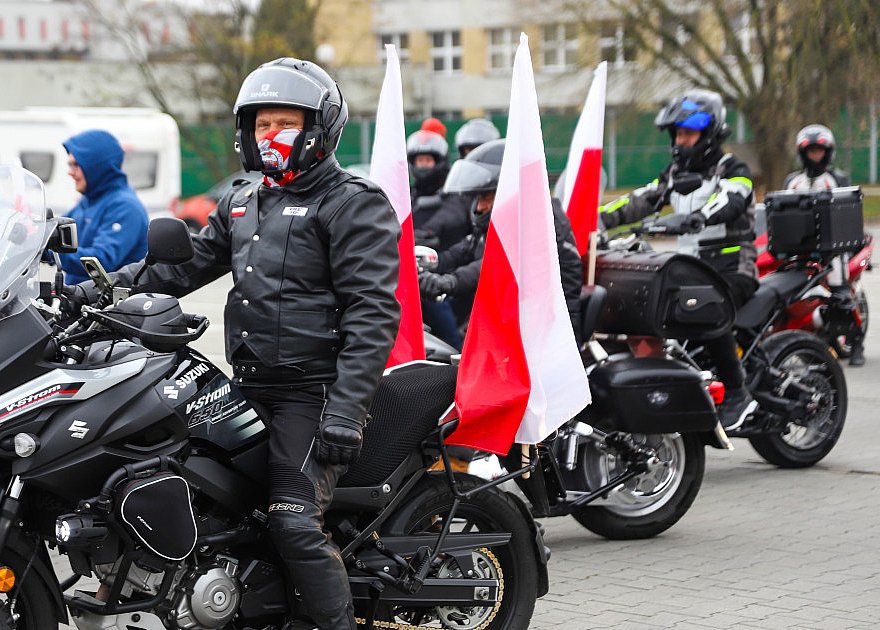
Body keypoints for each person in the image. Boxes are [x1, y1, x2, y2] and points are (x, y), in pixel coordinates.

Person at [76, 58, 399, 629]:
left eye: (285, 122)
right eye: (260, 123)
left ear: (320, 127)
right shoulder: (244, 200)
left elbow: (372, 313)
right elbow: (182, 268)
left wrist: (346, 413)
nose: (269, 134)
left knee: (293, 518)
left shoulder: (352, 203)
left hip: (314, 394)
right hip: (249, 383)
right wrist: (96, 292)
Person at [599, 89, 758, 431]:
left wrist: (698, 217)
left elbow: (732, 198)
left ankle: (737, 393)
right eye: (679, 134)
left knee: (703, 305)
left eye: (689, 133)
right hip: (693, 268)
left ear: (710, 133)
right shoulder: (673, 174)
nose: (682, 141)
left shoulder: (732, 167)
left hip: (734, 266)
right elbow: (639, 200)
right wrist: (593, 218)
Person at [418, 140, 583, 340]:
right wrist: (416, 266)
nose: (479, 207)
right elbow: (461, 252)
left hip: (547, 334)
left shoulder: (543, 220)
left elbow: (499, 263)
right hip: (509, 324)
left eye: (486, 198)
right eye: (478, 199)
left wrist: (449, 282)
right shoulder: (499, 225)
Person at [783, 124, 864, 365]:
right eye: (811, 151)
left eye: (819, 151)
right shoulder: (792, 181)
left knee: (840, 295)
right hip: (799, 248)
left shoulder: (837, 179)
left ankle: (856, 342)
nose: (815, 156)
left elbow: (850, 210)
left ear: (827, 152)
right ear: (803, 153)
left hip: (834, 249)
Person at [57, 129, 149, 283]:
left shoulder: (125, 207)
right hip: (76, 300)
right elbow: (56, 229)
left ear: (95, 166)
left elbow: (100, 261)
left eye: (76, 165)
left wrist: (50, 252)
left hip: (107, 304)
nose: (70, 172)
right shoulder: (88, 201)